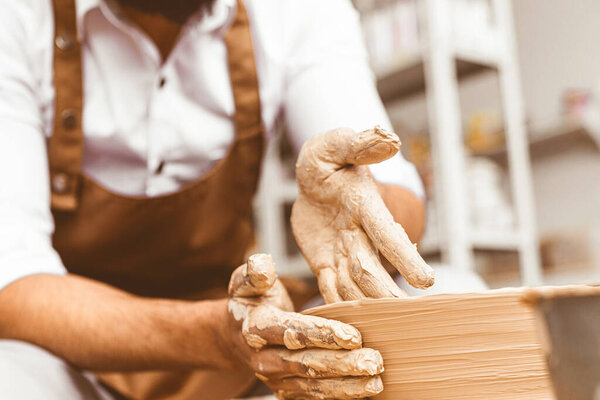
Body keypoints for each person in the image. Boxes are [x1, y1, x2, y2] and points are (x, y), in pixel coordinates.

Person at [0, 0, 432, 398]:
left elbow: (397, 191)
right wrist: (217, 334)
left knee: (450, 293)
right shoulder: (19, 15)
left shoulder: (296, 10)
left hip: (241, 338)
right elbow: (13, 282)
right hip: (69, 345)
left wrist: (361, 215)